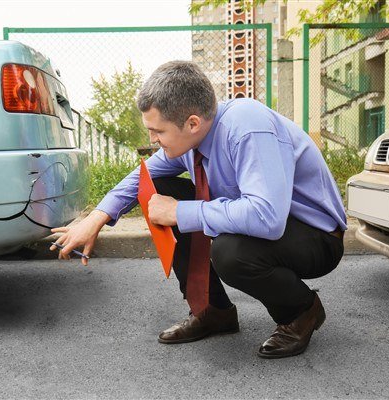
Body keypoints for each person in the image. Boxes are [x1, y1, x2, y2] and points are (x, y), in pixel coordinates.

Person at [50, 60, 346, 359]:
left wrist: (181, 212)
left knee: (230, 252)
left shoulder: (247, 128)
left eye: (157, 131)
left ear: (192, 122)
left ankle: (301, 311)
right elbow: (141, 179)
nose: (152, 139)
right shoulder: (193, 138)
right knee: (160, 193)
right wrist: (96, 219)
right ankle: (212, 311)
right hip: (274, 226)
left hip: (315, 236)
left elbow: (267, 218)